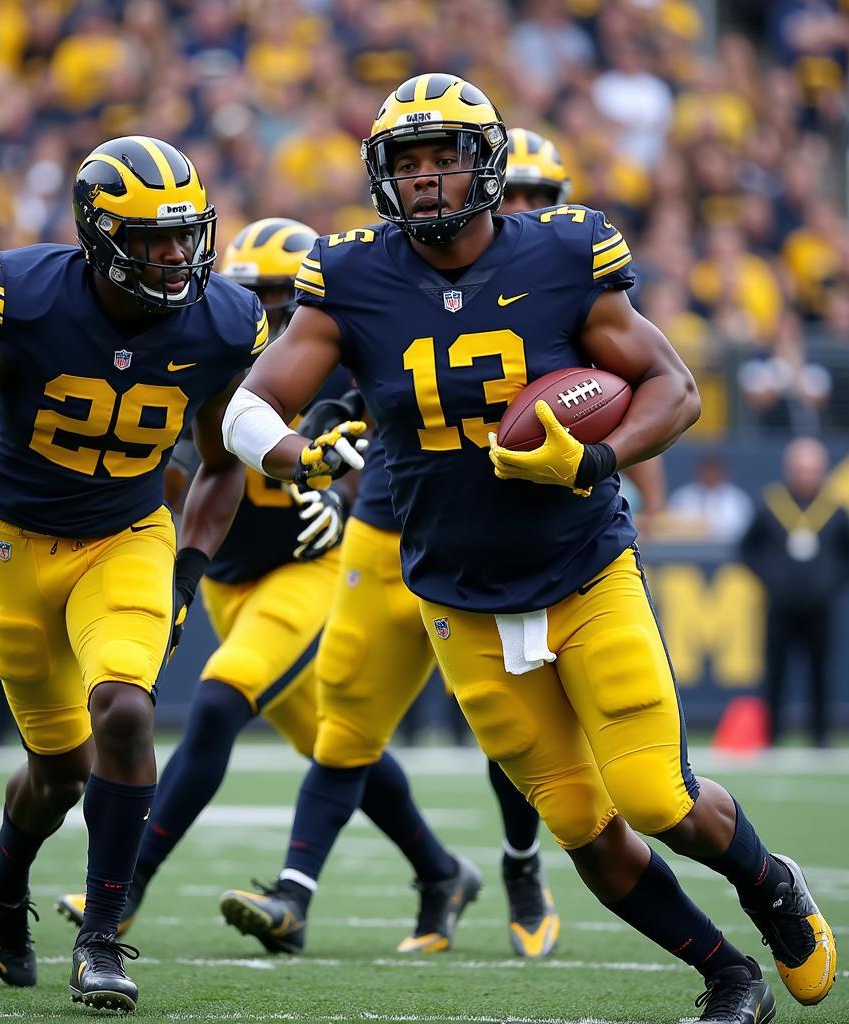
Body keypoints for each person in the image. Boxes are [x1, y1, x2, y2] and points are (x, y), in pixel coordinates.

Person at [219, 75, 836, 1022]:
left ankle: (771, 888)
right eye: (408, 163)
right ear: (383, 177)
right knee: (583, 827)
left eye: (446, 157)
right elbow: (248, 409)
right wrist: (302, 453)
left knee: (655, 798)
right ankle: (727, 974)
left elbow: (674, 388)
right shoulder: (350, 275)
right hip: (457, 599)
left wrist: (595, 460)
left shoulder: (563, 255)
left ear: (489, 163)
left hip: (584, 571)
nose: (427, 180)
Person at [0, 135, 269, 1013]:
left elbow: (224, 459)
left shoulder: (223, 321)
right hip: (18, 543)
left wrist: (188, 570)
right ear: (98, 236)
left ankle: (101, 939)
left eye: (184, 235)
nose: (174, 255)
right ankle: (2, 875)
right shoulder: (31, 300)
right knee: (59, 773)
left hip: (129, 534)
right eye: (152, 239)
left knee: (125, 706)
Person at [54, 218, 478, 954]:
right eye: (256, 296)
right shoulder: (200, 350)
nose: (273, 317)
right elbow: (187, 470)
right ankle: (441, 873)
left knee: (219, 699)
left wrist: (343, 499)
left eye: (287, 297)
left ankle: (123, 892)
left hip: (309, 568)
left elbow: (391, 457)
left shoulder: (344, 360)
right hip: (229, 581)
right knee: (338, 744)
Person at [221, 131, 581, 963]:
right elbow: (344, 373)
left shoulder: (569, 276)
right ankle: (295, 894)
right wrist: (318, 442)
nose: (520, 211)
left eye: (539, 198)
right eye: (513, 191)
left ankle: (523, 864)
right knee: (346, 710)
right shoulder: (395, 268)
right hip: (396, 514)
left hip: (527, 527)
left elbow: (638, 385)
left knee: (517, 727)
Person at [740, 437, 849, 747]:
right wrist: (769, 578)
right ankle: (772, 736)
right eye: (801, 468)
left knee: (821, 672)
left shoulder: (835, 511)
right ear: (789, 469)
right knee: (776, 671)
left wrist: (831, 583)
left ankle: (821, 737)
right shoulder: (772, 505)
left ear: (823, 471)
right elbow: (747, 548)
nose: (806, 475)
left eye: (812, 469)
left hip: (820, 607)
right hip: (781, 604)